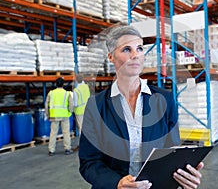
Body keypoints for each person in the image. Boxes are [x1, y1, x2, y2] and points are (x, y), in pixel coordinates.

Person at [79, 25, 205, 189]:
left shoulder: (164, 100)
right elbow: (89, 162)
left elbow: (170, 152)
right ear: (111, 57)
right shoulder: (96, 106)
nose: (135, 55)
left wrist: (184, 176)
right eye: (126, 49)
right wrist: (116, 183)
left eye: (139, 48)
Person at [45, 77, 74, 156]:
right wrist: (70, 112)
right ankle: (67, 149)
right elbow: (71, 105)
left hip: (54, 115)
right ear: (63, 84)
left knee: (53, 133)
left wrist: (47, 114)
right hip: (64, 115)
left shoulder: (51, 93)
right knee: (66, 132)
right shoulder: (67, 93)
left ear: (56, 84)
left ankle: (51, 150)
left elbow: (46, 105)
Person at [73, 74, 90, 151]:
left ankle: (82, 146)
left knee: (81, 129)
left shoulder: (76, 90)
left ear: (76, 80)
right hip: (87, 110)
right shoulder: (86, 87)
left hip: (79, 112)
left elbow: (75, 103)